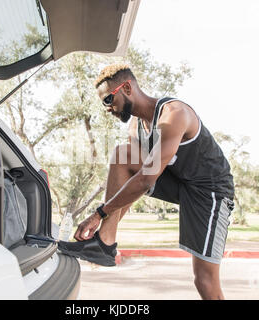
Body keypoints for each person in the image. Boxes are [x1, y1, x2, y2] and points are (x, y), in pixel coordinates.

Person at [58, 64, 235, 300]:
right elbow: (132, 183)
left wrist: (99, 213)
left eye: (109, 99)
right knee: (123, 155)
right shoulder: (137, 126)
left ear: (127, 87)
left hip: (210, 191)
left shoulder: (174, 114)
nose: (108, 108)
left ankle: (103, 238)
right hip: (180, 182)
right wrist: (104, 223)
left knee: (203, 279)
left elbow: (146, 180)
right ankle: (104, 243)